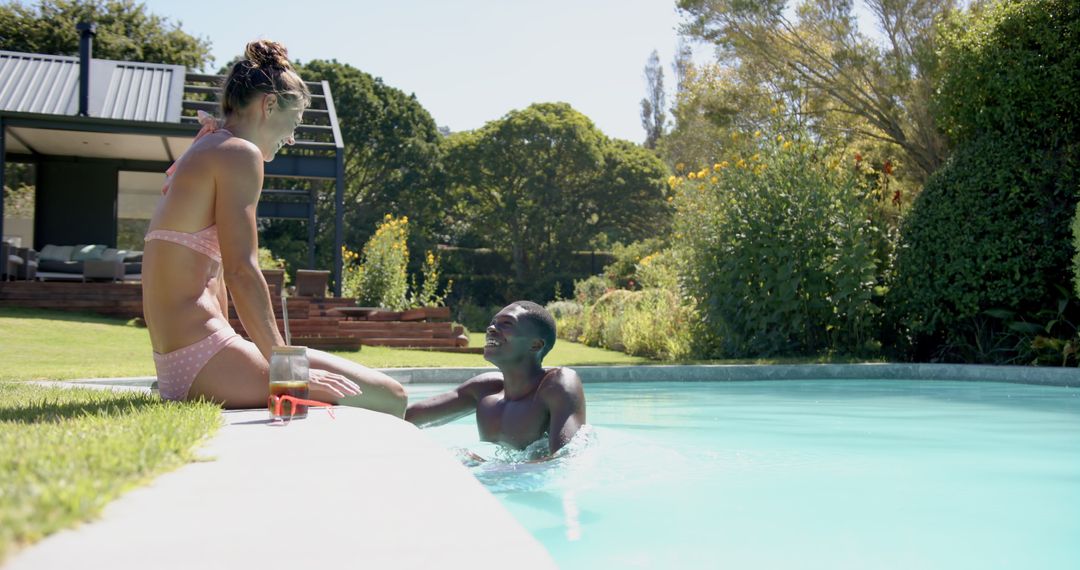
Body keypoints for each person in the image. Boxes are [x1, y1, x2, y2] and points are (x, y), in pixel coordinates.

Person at [141, 40, 406, 416]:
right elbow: (241, 270)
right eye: (294, 122)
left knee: (375, 391)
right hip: (202, 358)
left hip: (188, 357)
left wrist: (252, 354)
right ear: (268, 105)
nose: (291, 138)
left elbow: (215, 277)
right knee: (390, 397)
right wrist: (286, 370)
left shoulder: (208, 147)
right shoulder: (238, 153)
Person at [405, 301, 586, 454]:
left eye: (507, 323)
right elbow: (407, 417)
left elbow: (566, 459)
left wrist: (487, 469)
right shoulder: (485, 389)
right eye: (493, 323)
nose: (491, 328)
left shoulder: (556, 384)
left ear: (535, 345)